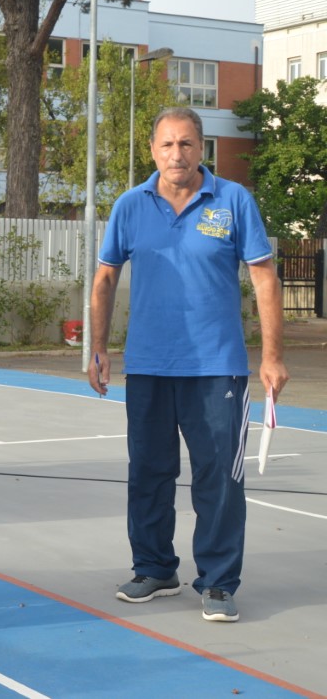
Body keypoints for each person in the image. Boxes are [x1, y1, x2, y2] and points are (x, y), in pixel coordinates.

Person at [88, 106, 288, 623]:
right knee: (148, 473)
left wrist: (271, 356)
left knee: (218, 478)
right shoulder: (130, 205)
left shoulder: (233, 200)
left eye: (186, 144)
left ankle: (218, 582)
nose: (176, 154)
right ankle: (154, 568)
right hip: (149, 366)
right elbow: (105, 278)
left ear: (202, 149)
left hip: (218, 368)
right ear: (152, 150)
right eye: (166, 144)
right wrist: (98, 347)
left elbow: (264, 278)